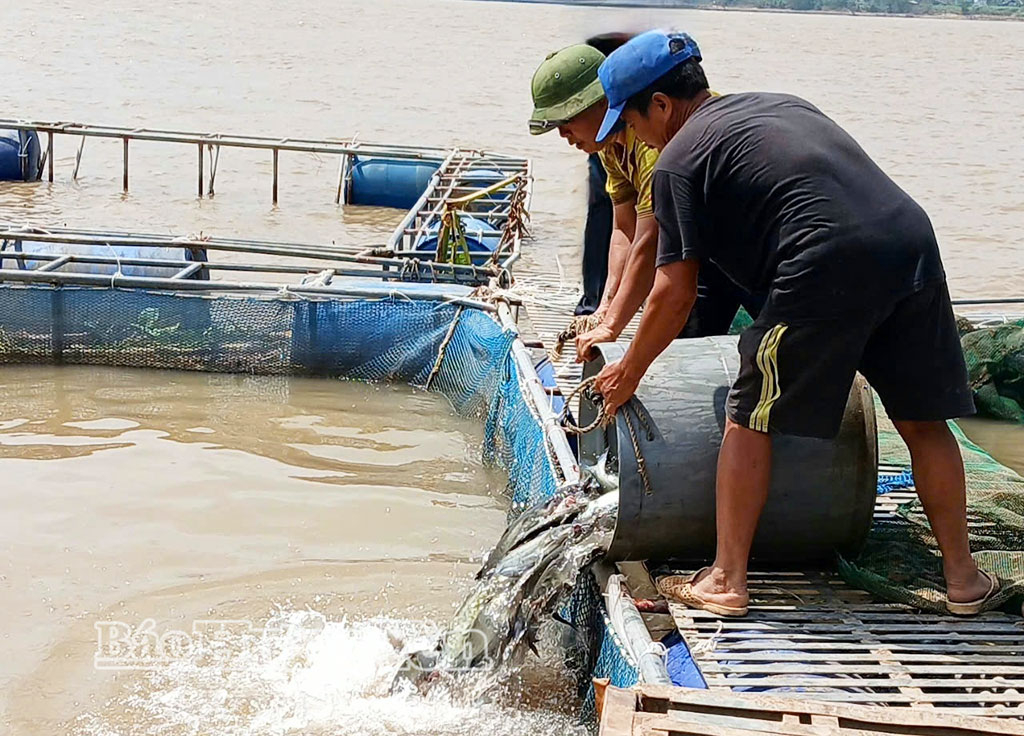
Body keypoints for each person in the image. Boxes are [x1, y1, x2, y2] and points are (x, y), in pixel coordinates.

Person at [589, 29, 996, 617]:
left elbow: (673, 293)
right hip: (909, 243)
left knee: (749, 415)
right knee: (922, 421)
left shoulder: (677, 161)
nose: (634, 137)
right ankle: (963, 579)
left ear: (660, 103)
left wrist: (630, 369)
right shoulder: (779, 103)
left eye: (628, 122)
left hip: (823, 258)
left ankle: (727, 578)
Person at [528, 44, 758, 342]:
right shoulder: (608, 146)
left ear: (602, 102)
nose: (562, 134)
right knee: (683, 345)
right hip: (705, 246)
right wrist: (605, 305)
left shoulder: (650, 136)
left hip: (749, 239)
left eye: (566, 121)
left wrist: (611, 326)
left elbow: (649, 240)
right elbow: (625, 228)